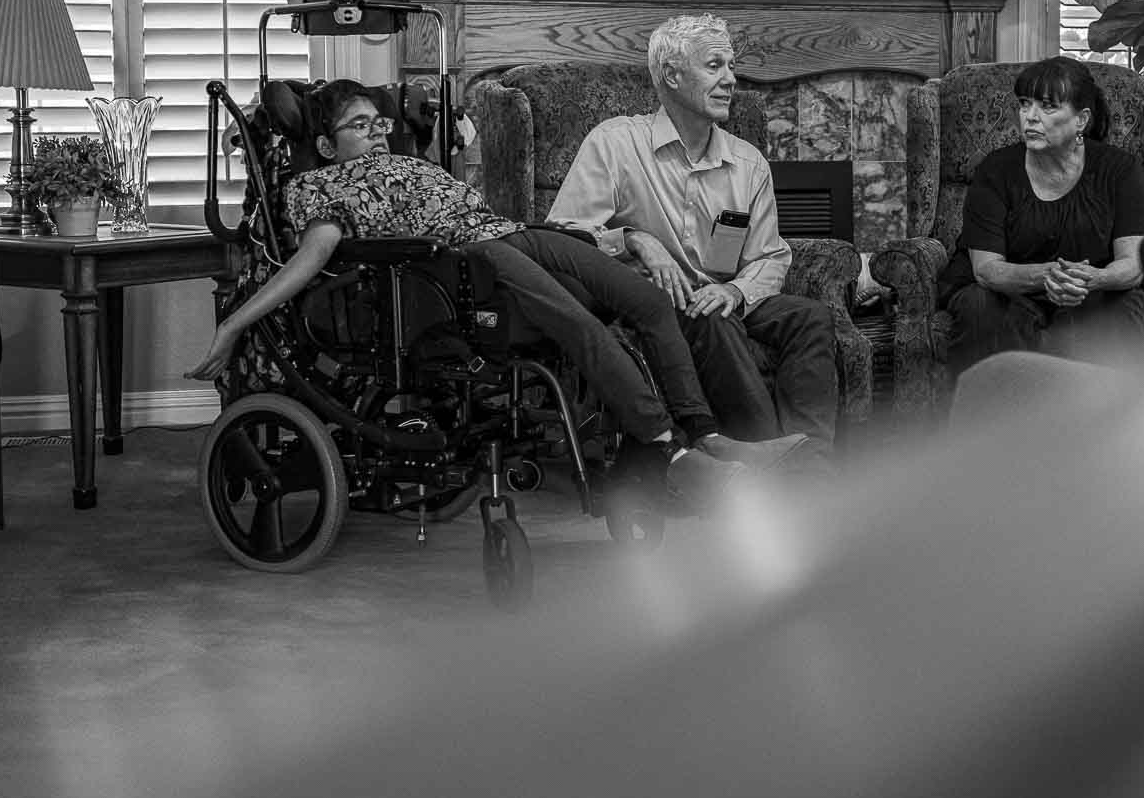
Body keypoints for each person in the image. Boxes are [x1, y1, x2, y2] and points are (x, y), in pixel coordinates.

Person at [186, 79, 805, 495]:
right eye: (358, 126)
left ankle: (707, 433)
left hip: (511, 229)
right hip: (471, 256)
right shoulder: (321, 187)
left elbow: (460, 176)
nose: (377, 133)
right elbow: (308, 260)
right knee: (580, 327)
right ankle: (671, 452)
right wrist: (235, 322)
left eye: (378, 123)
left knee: (644, 298)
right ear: (324, 146)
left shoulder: (406, 161)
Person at [547, 14, 840, 467]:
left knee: (809, 316)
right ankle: (766, 461)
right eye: (714, 66)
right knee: (708, 319)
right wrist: (633, 239)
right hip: (651, 303)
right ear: (671, 75)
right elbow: (560, 238)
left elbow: (770, 255)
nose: (730, 80)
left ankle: (814, 458)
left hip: (725, 295)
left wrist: (734, 290)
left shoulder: (748, 163)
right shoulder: (616, 143)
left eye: (731, 66)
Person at [937, 56, 1144, 376]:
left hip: (1090, 290)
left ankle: (1102, 421)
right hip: (1004, 290)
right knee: (979, 307)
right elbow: (986, 270)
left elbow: (1133, 265)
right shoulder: (995, 170)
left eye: (1047, 107)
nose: (1030, 117)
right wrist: (1049, 274)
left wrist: (1092, 279)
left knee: (1120, 308)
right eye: (1025, 104)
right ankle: (994, 421)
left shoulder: (1120, 170)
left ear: (1081, 120)